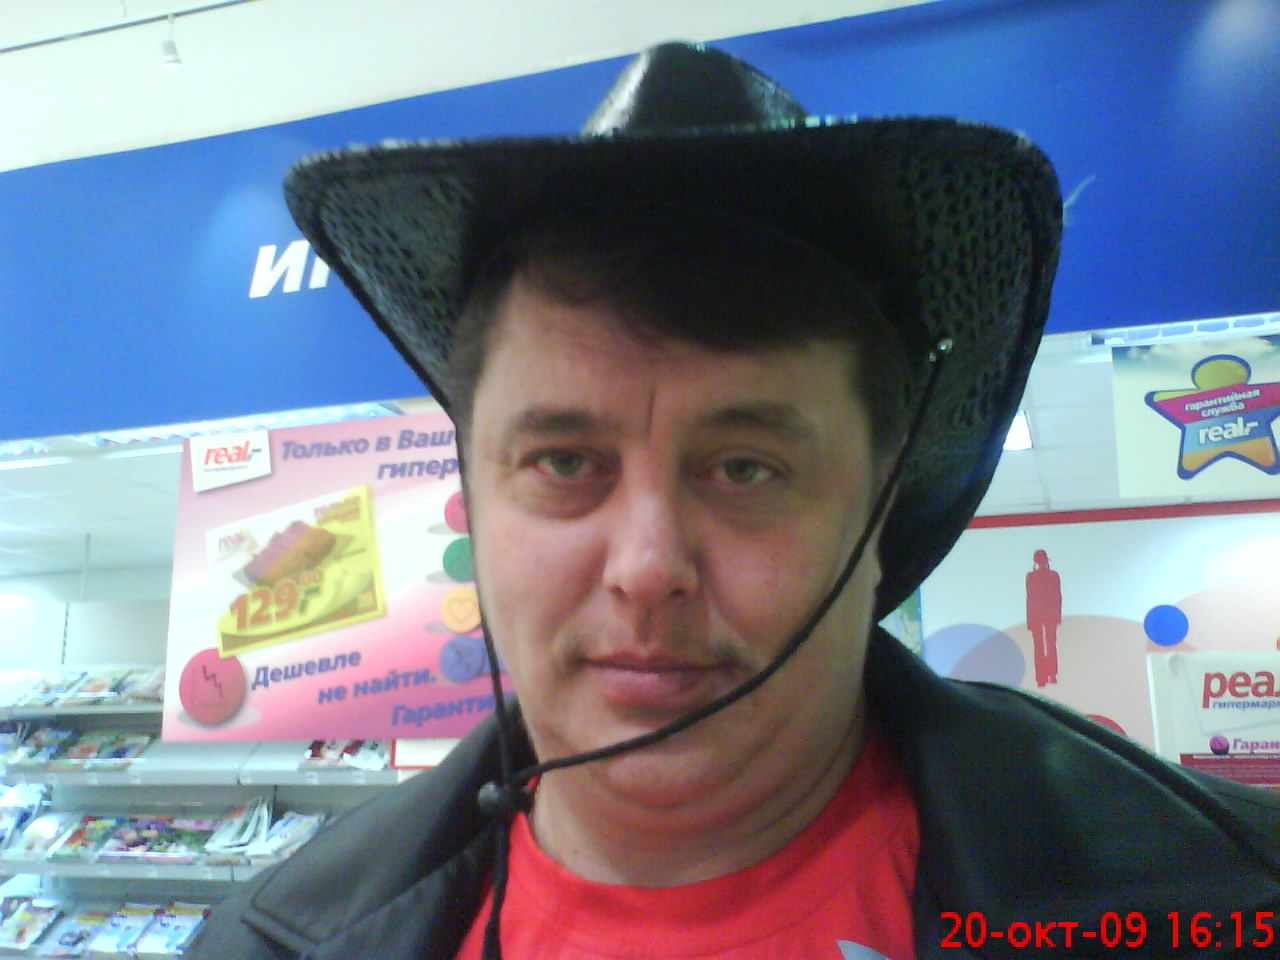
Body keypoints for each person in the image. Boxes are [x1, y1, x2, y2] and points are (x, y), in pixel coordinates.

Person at [187, 42, 1280, 960]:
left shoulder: (1222, 903)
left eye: (744, 468)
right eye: (564, 463)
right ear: (474, 493)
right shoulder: (275, 943)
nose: (646, 568)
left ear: (878, 504)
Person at [1025, 549, 1062, 686]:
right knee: (1049, 644)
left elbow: (1030, 598)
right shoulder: (1053, 576)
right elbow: (1057, 597)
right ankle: (1050, 675)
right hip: (1047, 615)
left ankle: (1043, 677)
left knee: (1040, 646)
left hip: (1039, 615)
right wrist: (1057, 616)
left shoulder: (1032, 577)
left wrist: (1030, 619)